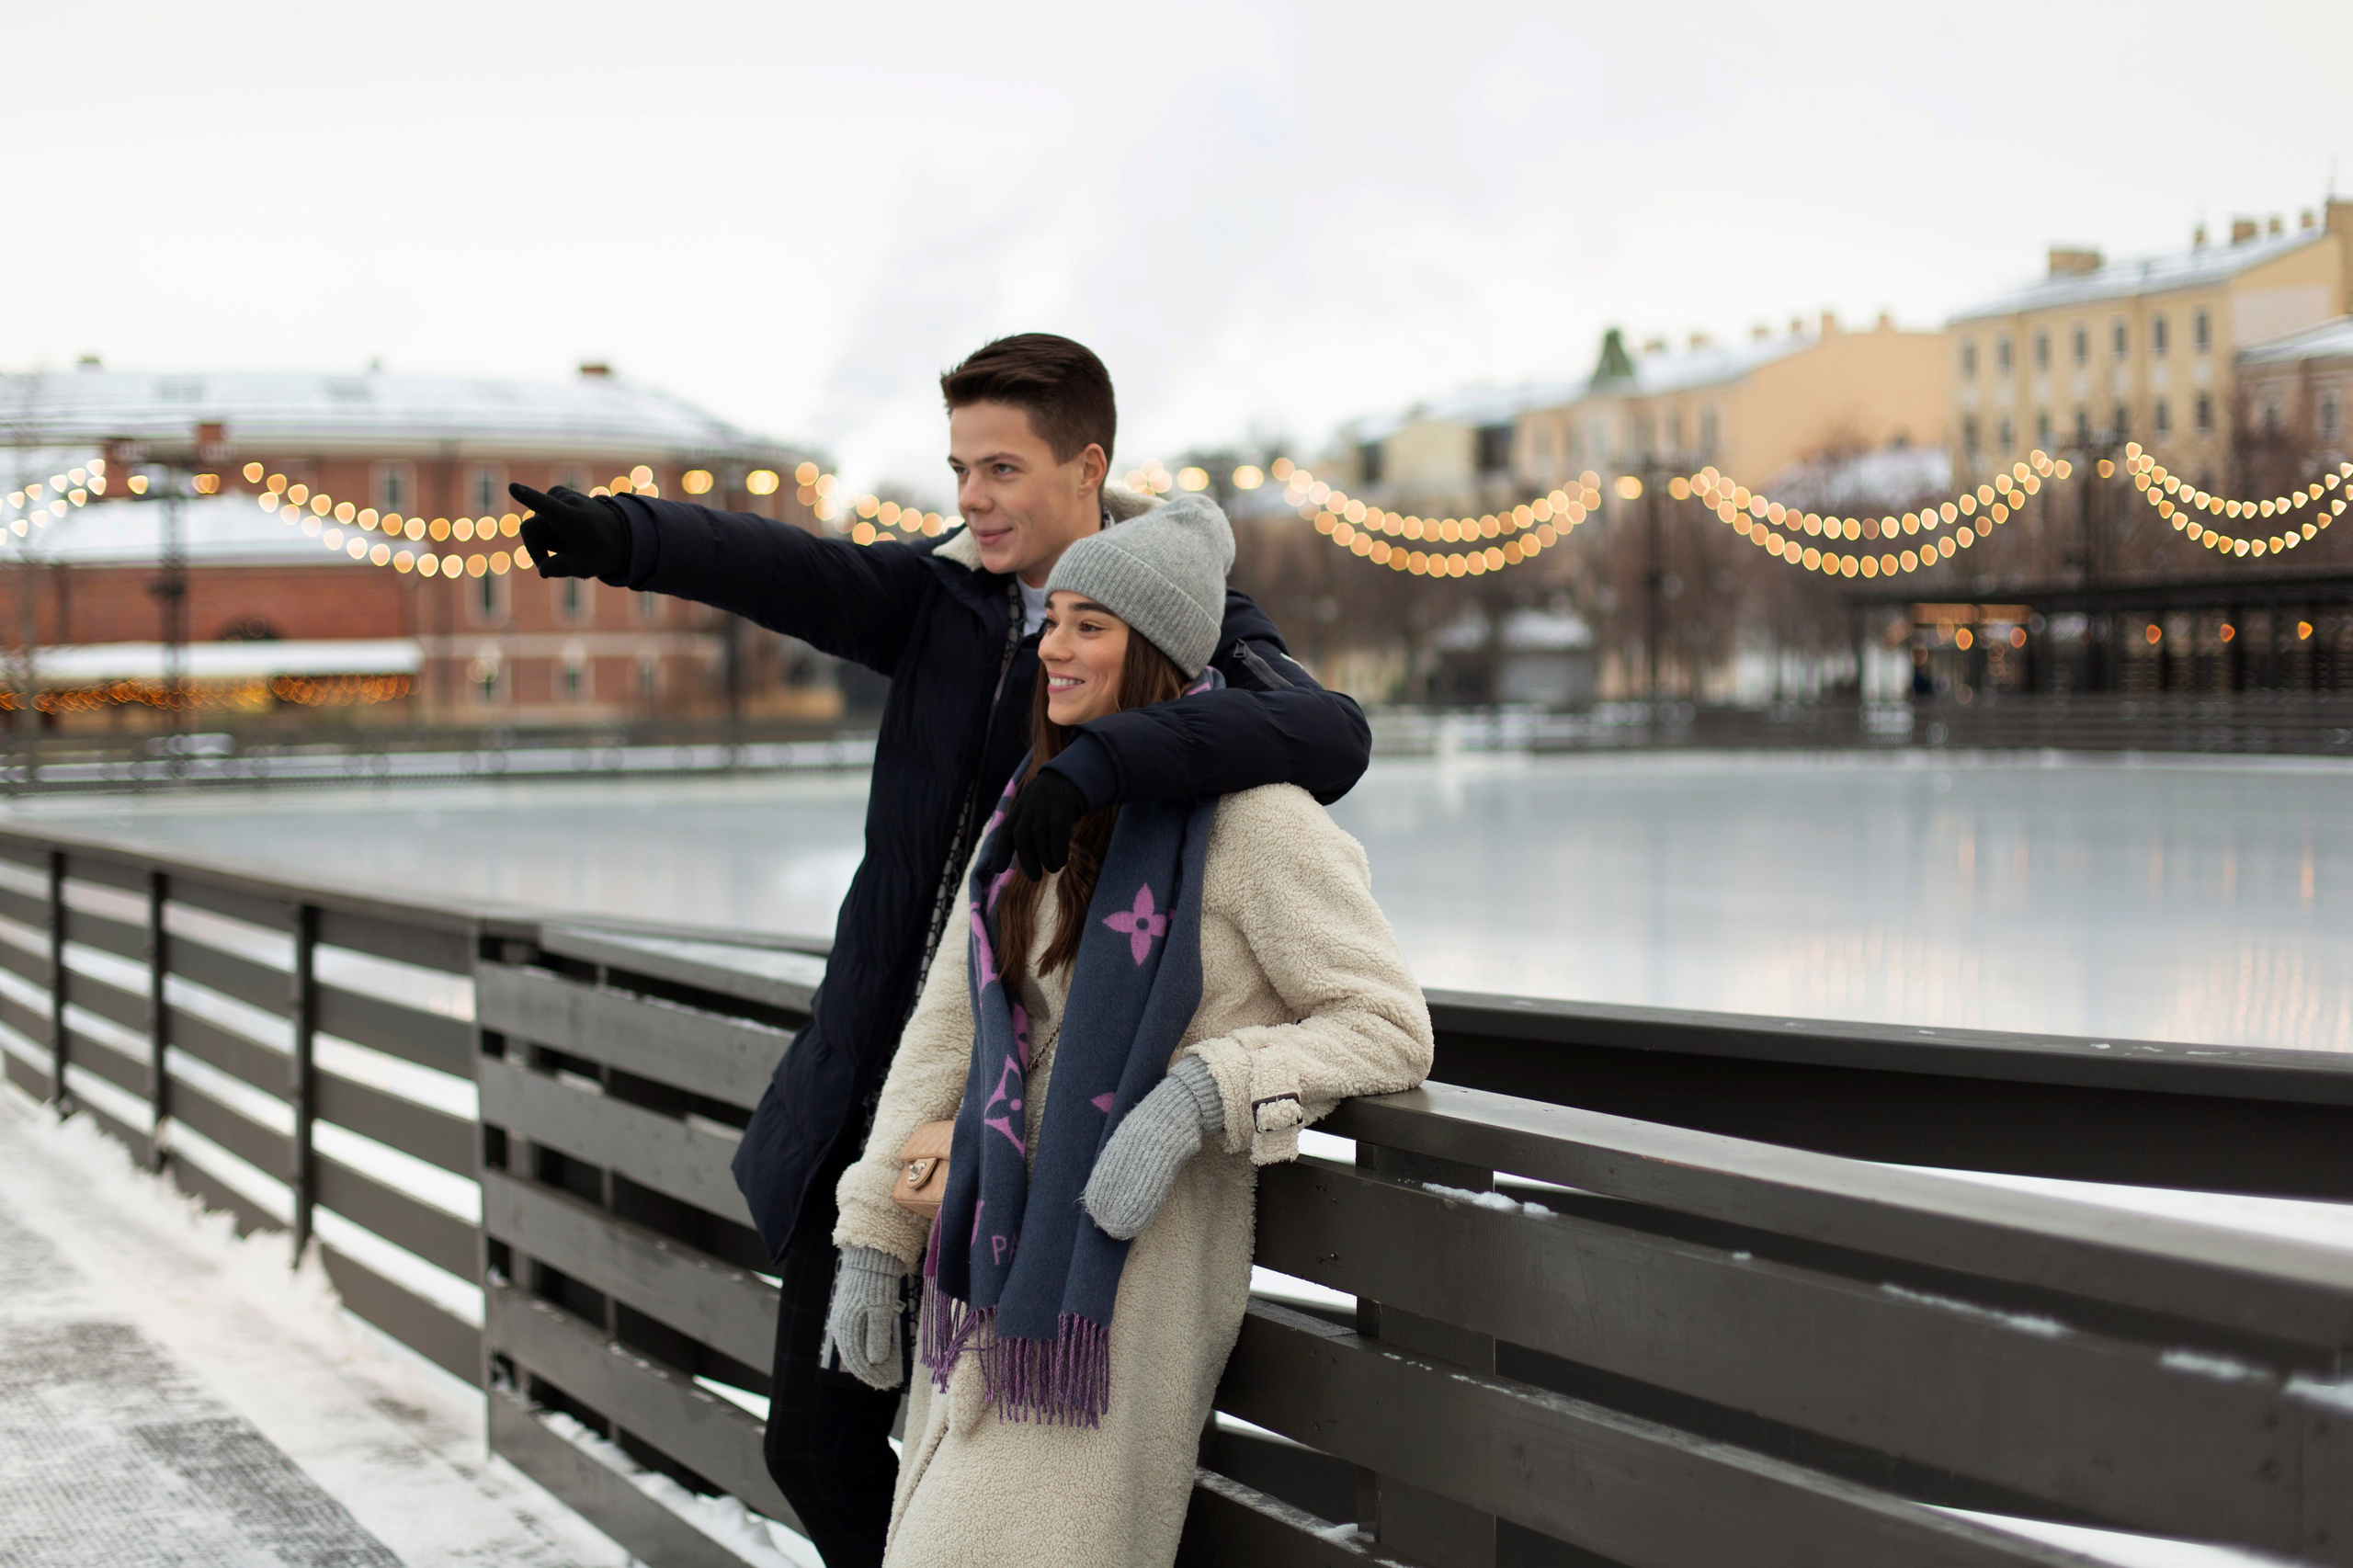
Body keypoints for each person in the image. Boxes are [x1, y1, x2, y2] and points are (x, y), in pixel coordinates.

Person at [508, 334, 1370, 1568]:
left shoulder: (1179, 613)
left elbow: (1325, 733)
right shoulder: (942, 594)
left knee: (979, 1475)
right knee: (814, 1446)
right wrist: (626, 538)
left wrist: (1107, 763)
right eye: (960, 464)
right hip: (887, 1081)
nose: (971, 495)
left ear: (1089, 466)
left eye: (1002, 467)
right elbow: (785, 569)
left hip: (1038, 1110)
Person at [824, 494, 1432, 1566]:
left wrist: (1204, 1093)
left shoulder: (1258, 822)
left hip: (1112, 1304)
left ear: (1151, 652)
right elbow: (948, 1030)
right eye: (1050, 618)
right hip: (989, 1275)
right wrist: (877, 1229)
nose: (1051, 647)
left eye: (1087, 625)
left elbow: (1386, 1023)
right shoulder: (1038, 809)